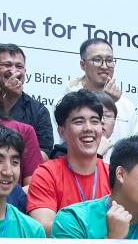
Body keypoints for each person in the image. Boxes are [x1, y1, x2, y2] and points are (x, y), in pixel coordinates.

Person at [25, 91, 110, 234]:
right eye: (79, 122)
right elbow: (44, 228)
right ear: (62, 132)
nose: (88, 128)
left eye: (94, 121)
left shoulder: (114, 175)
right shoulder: (47, 174)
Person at [0, 43, 56, 154]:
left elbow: (44, 154)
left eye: (19, 66)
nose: (13, 71)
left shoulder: (38, 110)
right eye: (7, 65)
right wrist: (8, 100)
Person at [69, 38, 138, 144]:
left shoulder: (126, 105)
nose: (105, 66)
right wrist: (104, 102)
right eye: (97, 60)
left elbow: (136, 146)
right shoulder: (66, 101)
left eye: (109, 60)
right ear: (83, 65)